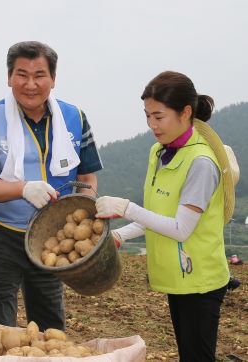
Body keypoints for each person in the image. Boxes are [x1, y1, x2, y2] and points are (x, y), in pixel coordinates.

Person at [95, 71, 232, 361]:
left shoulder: (201, 163)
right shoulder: (159, 152)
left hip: (200, 280)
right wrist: (122, 233)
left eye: (159, 116)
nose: (151, 125)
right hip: (176, 277)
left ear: (185, 112)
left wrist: (126, 208)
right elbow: (158, 215)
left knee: (197, 357)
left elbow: (181, 229)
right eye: (147, 116)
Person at [0, 41, 103, 331]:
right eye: (21, 74)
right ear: (9, 77)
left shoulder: (75, 118)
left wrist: (82, 208)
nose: (30, 84)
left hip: (53, 237)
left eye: (39, 75)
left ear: (53, 79)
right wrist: (22, 189)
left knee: (50, 325)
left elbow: (87, 177)